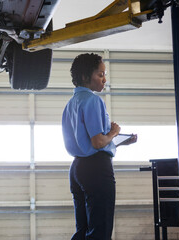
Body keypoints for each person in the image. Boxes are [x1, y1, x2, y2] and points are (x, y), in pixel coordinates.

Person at [62, 53, 137, 240]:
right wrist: (114, 133)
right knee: (100, 230)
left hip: (77, 168)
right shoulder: (93, 101)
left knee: (83, 229)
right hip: (96, 168)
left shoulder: (71, 104)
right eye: (100, 74)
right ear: (85, 77)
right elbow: (97, 143)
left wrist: (117, 140)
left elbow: (87, 141)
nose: (104, 79)